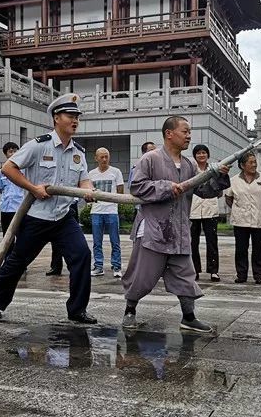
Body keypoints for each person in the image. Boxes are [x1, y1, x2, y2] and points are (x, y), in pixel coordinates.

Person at [0, 93, 97, 324]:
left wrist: (88, 190)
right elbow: (8, 168)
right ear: (57, 117)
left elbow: (84, 180)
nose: (75, 120)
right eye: (70, 115)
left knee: (82, 255)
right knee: (18, 261)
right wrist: (33, 188)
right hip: (37, 216)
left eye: (77, 116)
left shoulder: (79, 153)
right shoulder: (38, 145)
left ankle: (77, 310)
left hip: (64, 217)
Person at [121, 115, 230, 333]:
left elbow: (204, 192)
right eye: (185, 131)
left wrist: (219, 177)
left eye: (190, 132)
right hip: (153, 230)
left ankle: (188, 317)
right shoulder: (150, 159)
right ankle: (130, 310)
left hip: (180, 231)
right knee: (142, 277)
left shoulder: (189, 165)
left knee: (185, 275)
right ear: (169, 133)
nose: (189, 136)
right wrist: (165, 187)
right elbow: (137, 187)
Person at [224, 151, 261, 284]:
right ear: (242, 165)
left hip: (259, 219)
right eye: (250, 162)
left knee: (259, 249)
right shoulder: (234, 180)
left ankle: (259, 275)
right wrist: (238, 208)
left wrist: (260, 207)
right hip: (240, 220)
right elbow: (228, 198)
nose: (254, 165)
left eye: (255, 162)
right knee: (241, 249)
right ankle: (241, 275)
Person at [88, 147, 124, 278]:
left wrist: (116, 204)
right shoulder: (91, 174)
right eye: (101, 157)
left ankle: (116, 266)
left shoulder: (116, 172)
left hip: (111, 211)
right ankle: (98, 266)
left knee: (115, 240)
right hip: (96, 211)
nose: (104, 159)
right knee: (97, 241)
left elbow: (120, 190)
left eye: (106, 157)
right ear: (96, 158)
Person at [189, 144, 221, 282]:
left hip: (210, 208)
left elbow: (220, 190)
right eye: (198, 153)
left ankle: (214, 271)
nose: (201, 155)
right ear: (195, 156)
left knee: (212, 241)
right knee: (192, 242)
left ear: (207, 155)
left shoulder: (214, 169)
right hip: (193, 209)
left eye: (204, 153)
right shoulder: (190, 170)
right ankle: (194, 270)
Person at [0, 142, 24, 254]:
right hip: (6, 208)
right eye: (10, 151)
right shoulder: (1, 172)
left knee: (21, 236)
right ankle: (8, 259)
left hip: (20, 208)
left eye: (15, 150)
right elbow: (1, 188)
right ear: (6, 154)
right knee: (7, 237)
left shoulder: (24, 170)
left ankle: (20, 263)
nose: (13, 153)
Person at [46, 200, 78, 276]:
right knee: (55, 240)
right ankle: (56, 267)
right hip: (57, 206)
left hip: (71, 205)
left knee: (73, 241)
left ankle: (74, 267)